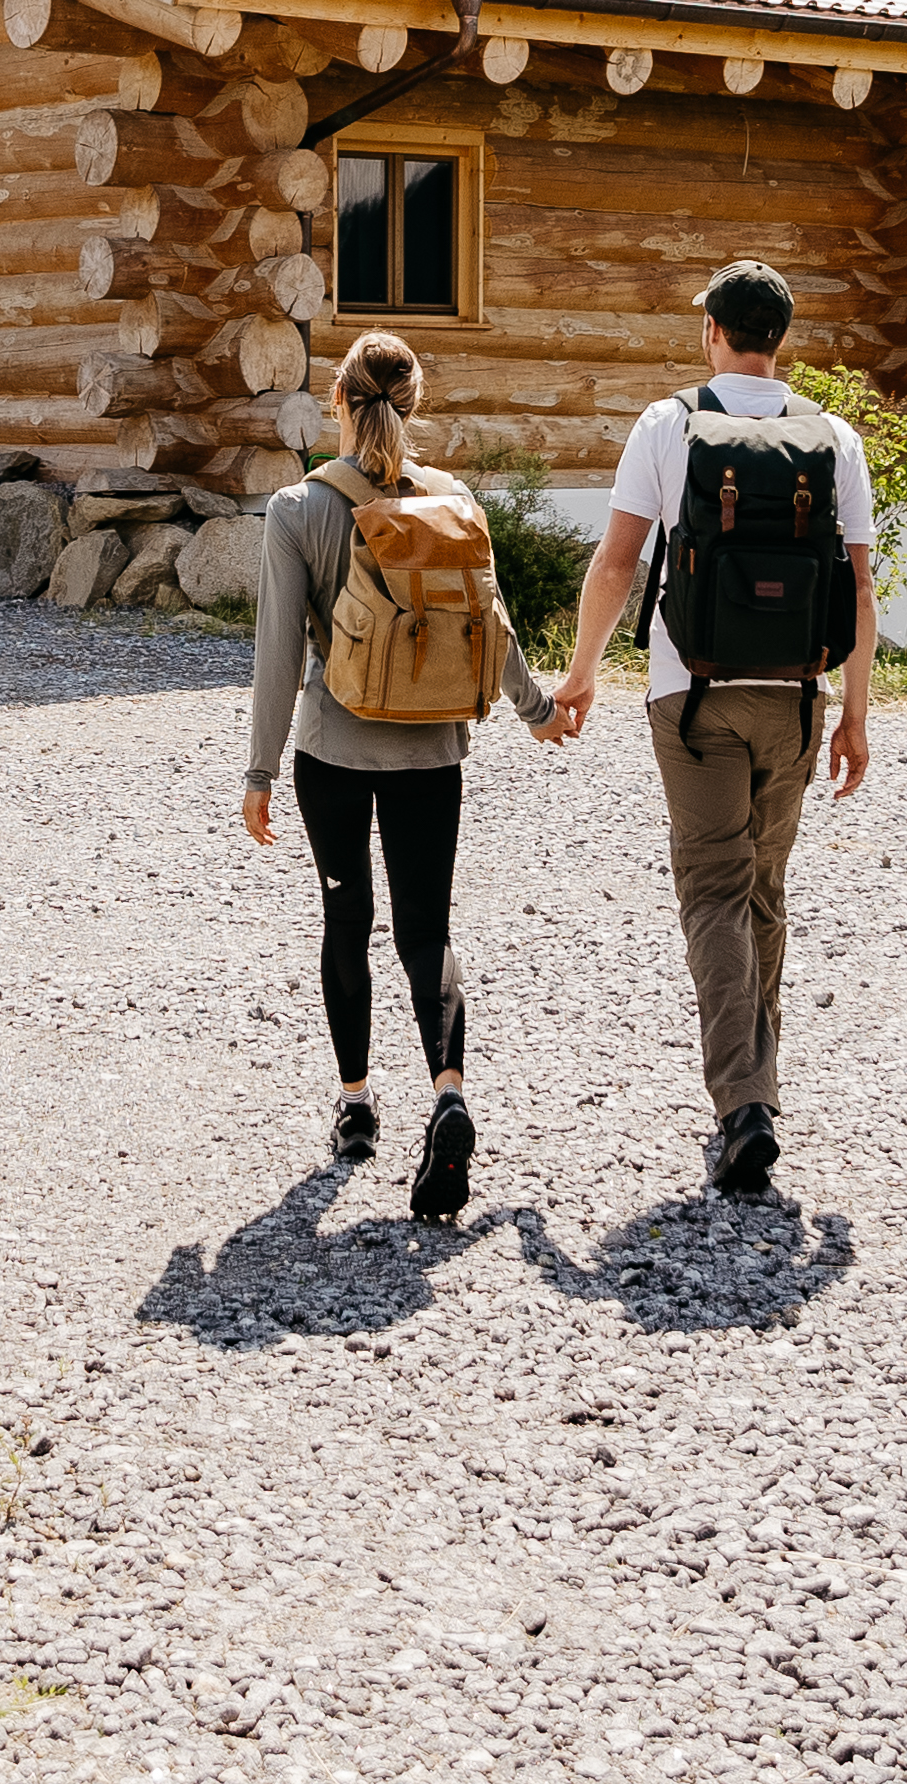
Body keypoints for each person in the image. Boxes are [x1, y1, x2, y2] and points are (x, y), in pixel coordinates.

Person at [549, 258, 877, 1196]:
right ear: (780, 339)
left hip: (686, 695)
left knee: (713, 889)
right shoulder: (835, 440)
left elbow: (617, 565)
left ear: (711, 332)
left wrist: (581, 672)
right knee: (761, 887)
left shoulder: (669, 423)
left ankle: (742, 1105)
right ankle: (756, 1087)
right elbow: (857, 585)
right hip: (796, 696)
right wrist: (854, 713)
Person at [244, 328, 570, 1223]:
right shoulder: (455, 501)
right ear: (415, 404)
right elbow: (492, 621)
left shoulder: (298, 509)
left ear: (339, 403)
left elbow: (278, 655)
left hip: (335, 754)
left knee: (347, 919)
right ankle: (449, 1094)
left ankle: (354, 1110)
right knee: (427, 929)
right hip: (434, 750)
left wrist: (260, 770)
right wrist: (536, 711)